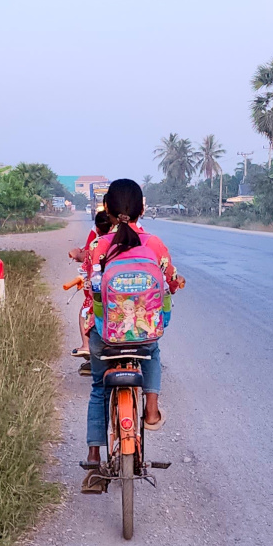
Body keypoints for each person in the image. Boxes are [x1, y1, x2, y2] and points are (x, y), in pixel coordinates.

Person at [81, 179, 184, 494]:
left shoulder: (99, 245)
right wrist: (175, 284)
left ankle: (94, 461)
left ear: (108, 211)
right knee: (152, 351)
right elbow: (170, 279)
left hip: (106, 334)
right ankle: (151, 409)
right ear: (142, 209)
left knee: (99, 388)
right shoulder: (154, 244)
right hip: (142, 333)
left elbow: (89, 285)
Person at [70, 209, 111, 368]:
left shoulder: (97, 245)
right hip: (125, 292)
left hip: (101, 294)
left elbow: (85, 258)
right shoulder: (129, 240)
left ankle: (86, 346)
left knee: (85, 311)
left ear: (98, 229)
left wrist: (76, 253)